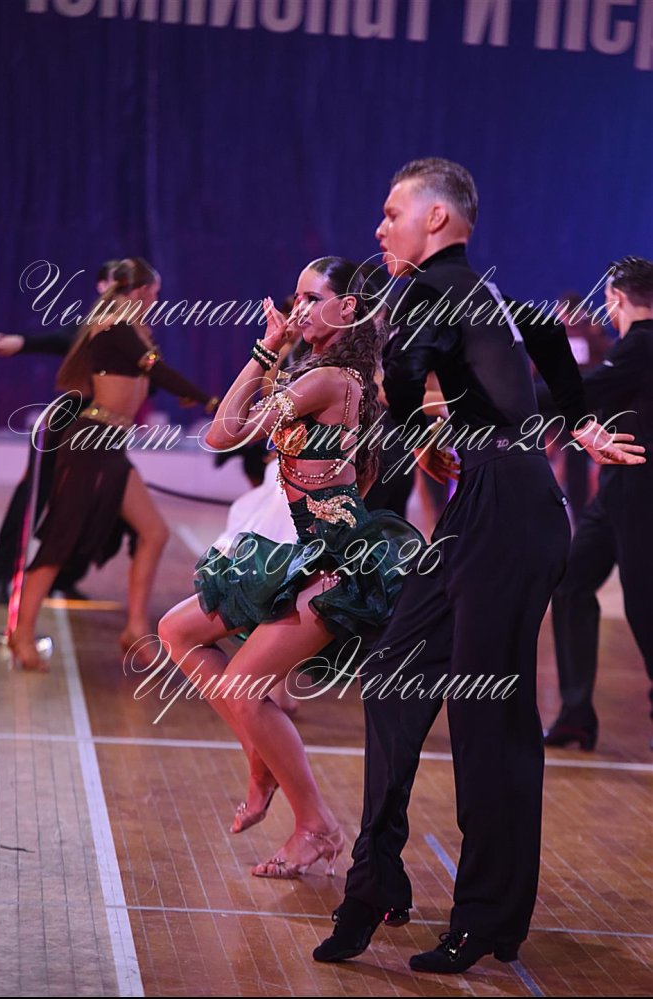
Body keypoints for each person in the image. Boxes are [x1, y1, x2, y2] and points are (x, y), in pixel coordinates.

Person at [312, 158, 645, 973]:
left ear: (436, 218)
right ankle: (374, 882)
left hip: (511, 512)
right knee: (392, 675)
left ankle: (488, 915)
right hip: (488, 506)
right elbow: (542, 332)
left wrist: (404, 409)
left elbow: (407, 370)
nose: (380, 226)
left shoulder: (431, 290)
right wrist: (576, 418)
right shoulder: (474, 290)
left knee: (486, 716)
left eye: (392, 211)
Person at [157, 256, 427, 880]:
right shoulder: (338, 378)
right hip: (307, 553)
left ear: (347, 308)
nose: (297, 308)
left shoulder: (328, 379)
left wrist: (264, 348)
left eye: (310, 298)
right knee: (177, 631)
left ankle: (316, 826)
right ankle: (262, 761)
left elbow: (222, 435)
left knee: (243, 687)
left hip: (334, 564)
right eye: (295, 297)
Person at [7, 257, 215, 671]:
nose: (157, 299)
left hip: (110, 443)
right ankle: (21, 633)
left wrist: (178, 390)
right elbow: (156, 370)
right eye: (154, 292)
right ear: (139, 291)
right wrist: (209, 400)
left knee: (153, 532)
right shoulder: (115, 326)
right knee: (61, 540)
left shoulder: (132, 330)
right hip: (90, 442)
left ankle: (136, 628)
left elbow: (145, 379)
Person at [545, 256, 653, 750]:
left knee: (644, 603)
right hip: (615, 491)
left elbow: (581, 390)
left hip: (641, 491)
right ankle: (575, 715)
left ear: (615, 299)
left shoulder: (641, 344)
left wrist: (504, 396)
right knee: (571, 583)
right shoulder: (634, 347)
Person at [0, 260, 124, 602]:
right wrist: (24, 342)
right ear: (102, 285)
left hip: (106, 427)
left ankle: (65, 574)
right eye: (117, 282)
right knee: (35, 495)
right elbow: (66, 338)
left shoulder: (135, 325)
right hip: (71, 418)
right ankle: (3, 572)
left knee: (101, 504)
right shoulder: (98, 321)